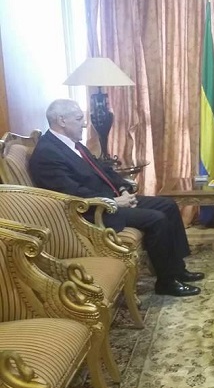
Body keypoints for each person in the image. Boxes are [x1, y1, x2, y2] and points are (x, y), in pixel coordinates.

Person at [29, 99, 203, 297]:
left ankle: (177, 269)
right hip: (92, 213)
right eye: (79, 119)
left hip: (111, 200)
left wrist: (122, 188)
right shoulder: (47, 153)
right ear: (61, 120)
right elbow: (70, 193)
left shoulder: (72, 145)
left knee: (168, 205)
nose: (84, 124)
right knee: (157, 219)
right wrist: (112, 201)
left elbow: (103, 170)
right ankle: (166, 282)